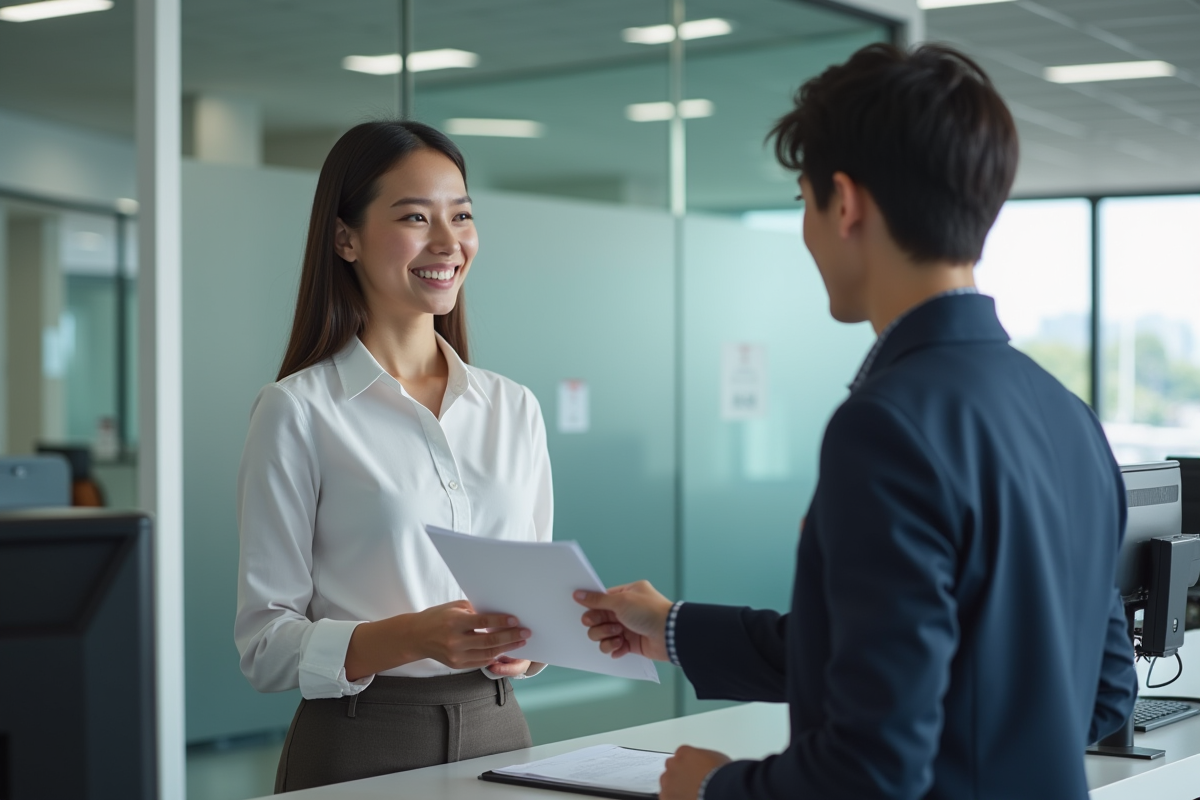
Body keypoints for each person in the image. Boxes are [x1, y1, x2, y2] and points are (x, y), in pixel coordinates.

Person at [576, 43, 1137, 800]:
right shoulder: (1067, 415)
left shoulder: (888, 425)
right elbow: (1100, 695)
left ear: (844, 202)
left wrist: (718, 788)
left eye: (803, 204)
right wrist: (674, 626)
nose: (806, 234)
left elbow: (873, 769)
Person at [234, 121, 552, 792]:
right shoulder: (298, 409)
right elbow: (264, 648)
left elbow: (533, 602)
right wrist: (412, 637)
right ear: (345, 238)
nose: (448, 243)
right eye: (415, 217)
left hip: (501, 732)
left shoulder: (513, 407)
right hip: (360, 739)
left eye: (461, 216)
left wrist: (527, 649)